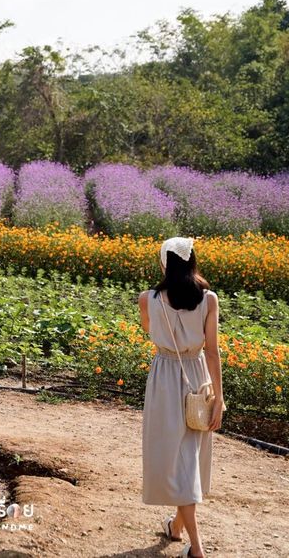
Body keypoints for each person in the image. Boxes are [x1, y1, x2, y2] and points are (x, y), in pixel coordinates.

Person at [138, 237, 225, 558]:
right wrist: (219, 396)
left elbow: (151, 332)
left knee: (179, 459)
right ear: (191, 262)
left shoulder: (148, 299)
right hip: (198, 378)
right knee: (189, 457)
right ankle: (176, 528)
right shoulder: (209, 300)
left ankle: (197, 550)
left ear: (164, 263)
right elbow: (213, 352)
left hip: (164, 379)